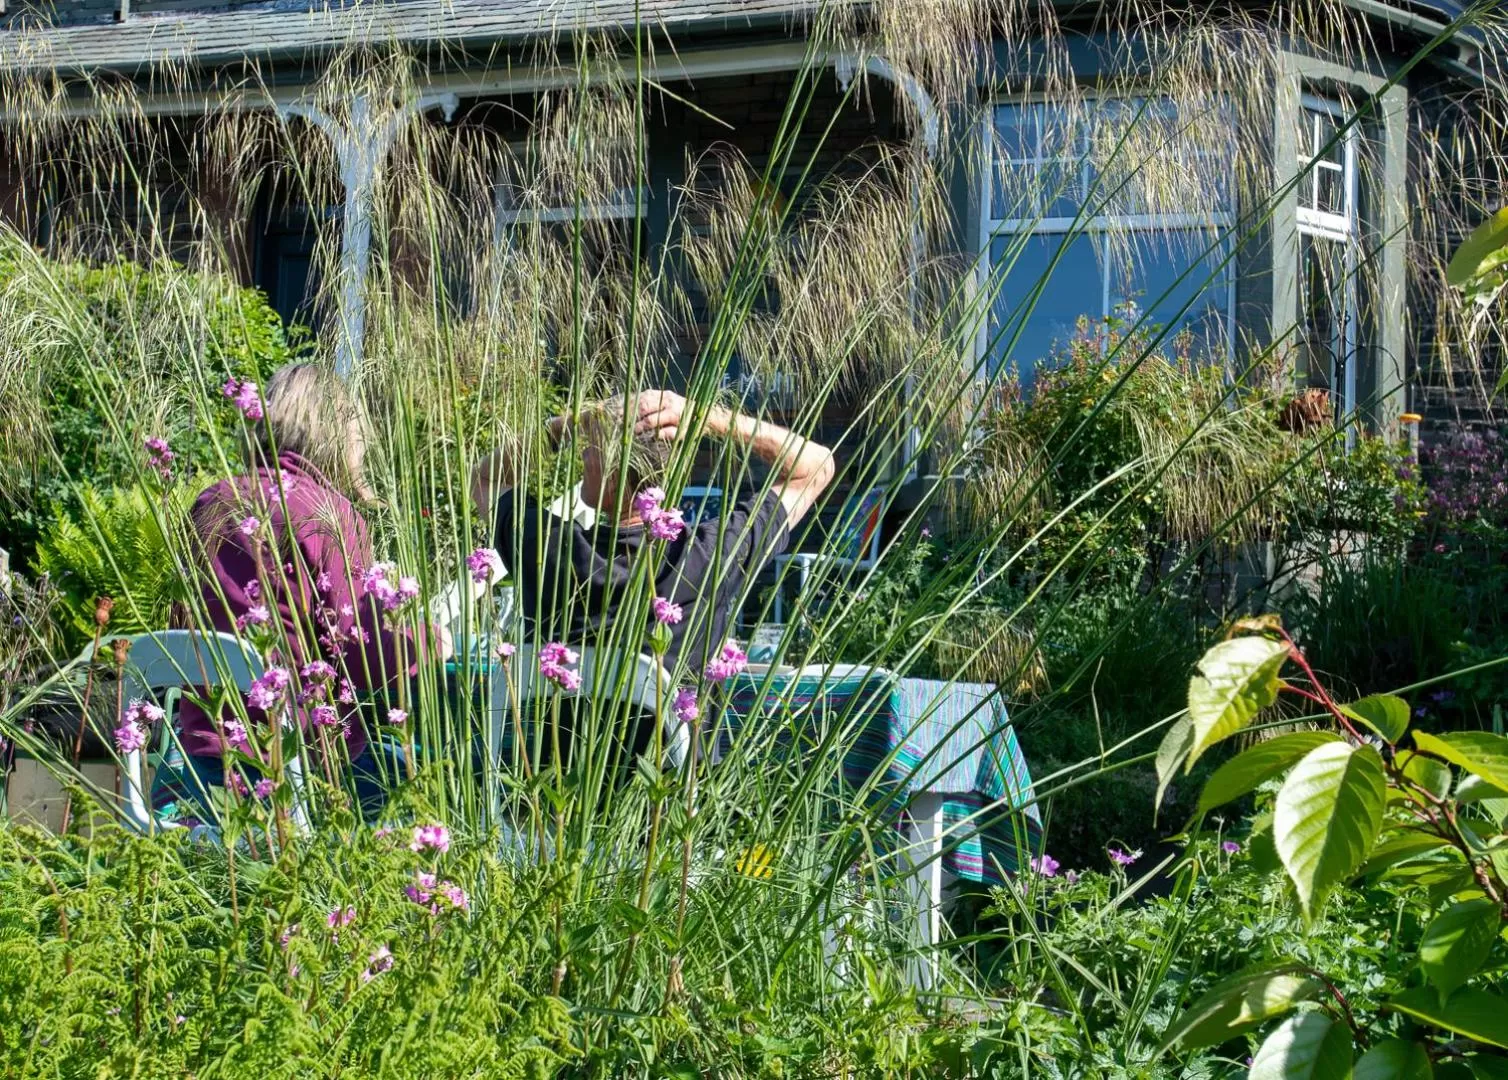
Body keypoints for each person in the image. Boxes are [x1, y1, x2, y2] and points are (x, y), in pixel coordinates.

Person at [159, 363, 449, 820]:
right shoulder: (328, 514)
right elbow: (358, 651)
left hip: (198, 757)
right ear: (336, 437)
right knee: (431, 801)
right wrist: (427, 641)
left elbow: (182, 619)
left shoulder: (211, 499)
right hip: (292, 768)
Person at [472, 390, 835, 683]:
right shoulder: (711, 554)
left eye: (591, 446)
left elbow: (485, 478)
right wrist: (705, 417)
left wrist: (567, 425)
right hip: (673, 771)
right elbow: (817, 465)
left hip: (558, 766)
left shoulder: (547, 547)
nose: (582, 451)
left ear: (615, 476)